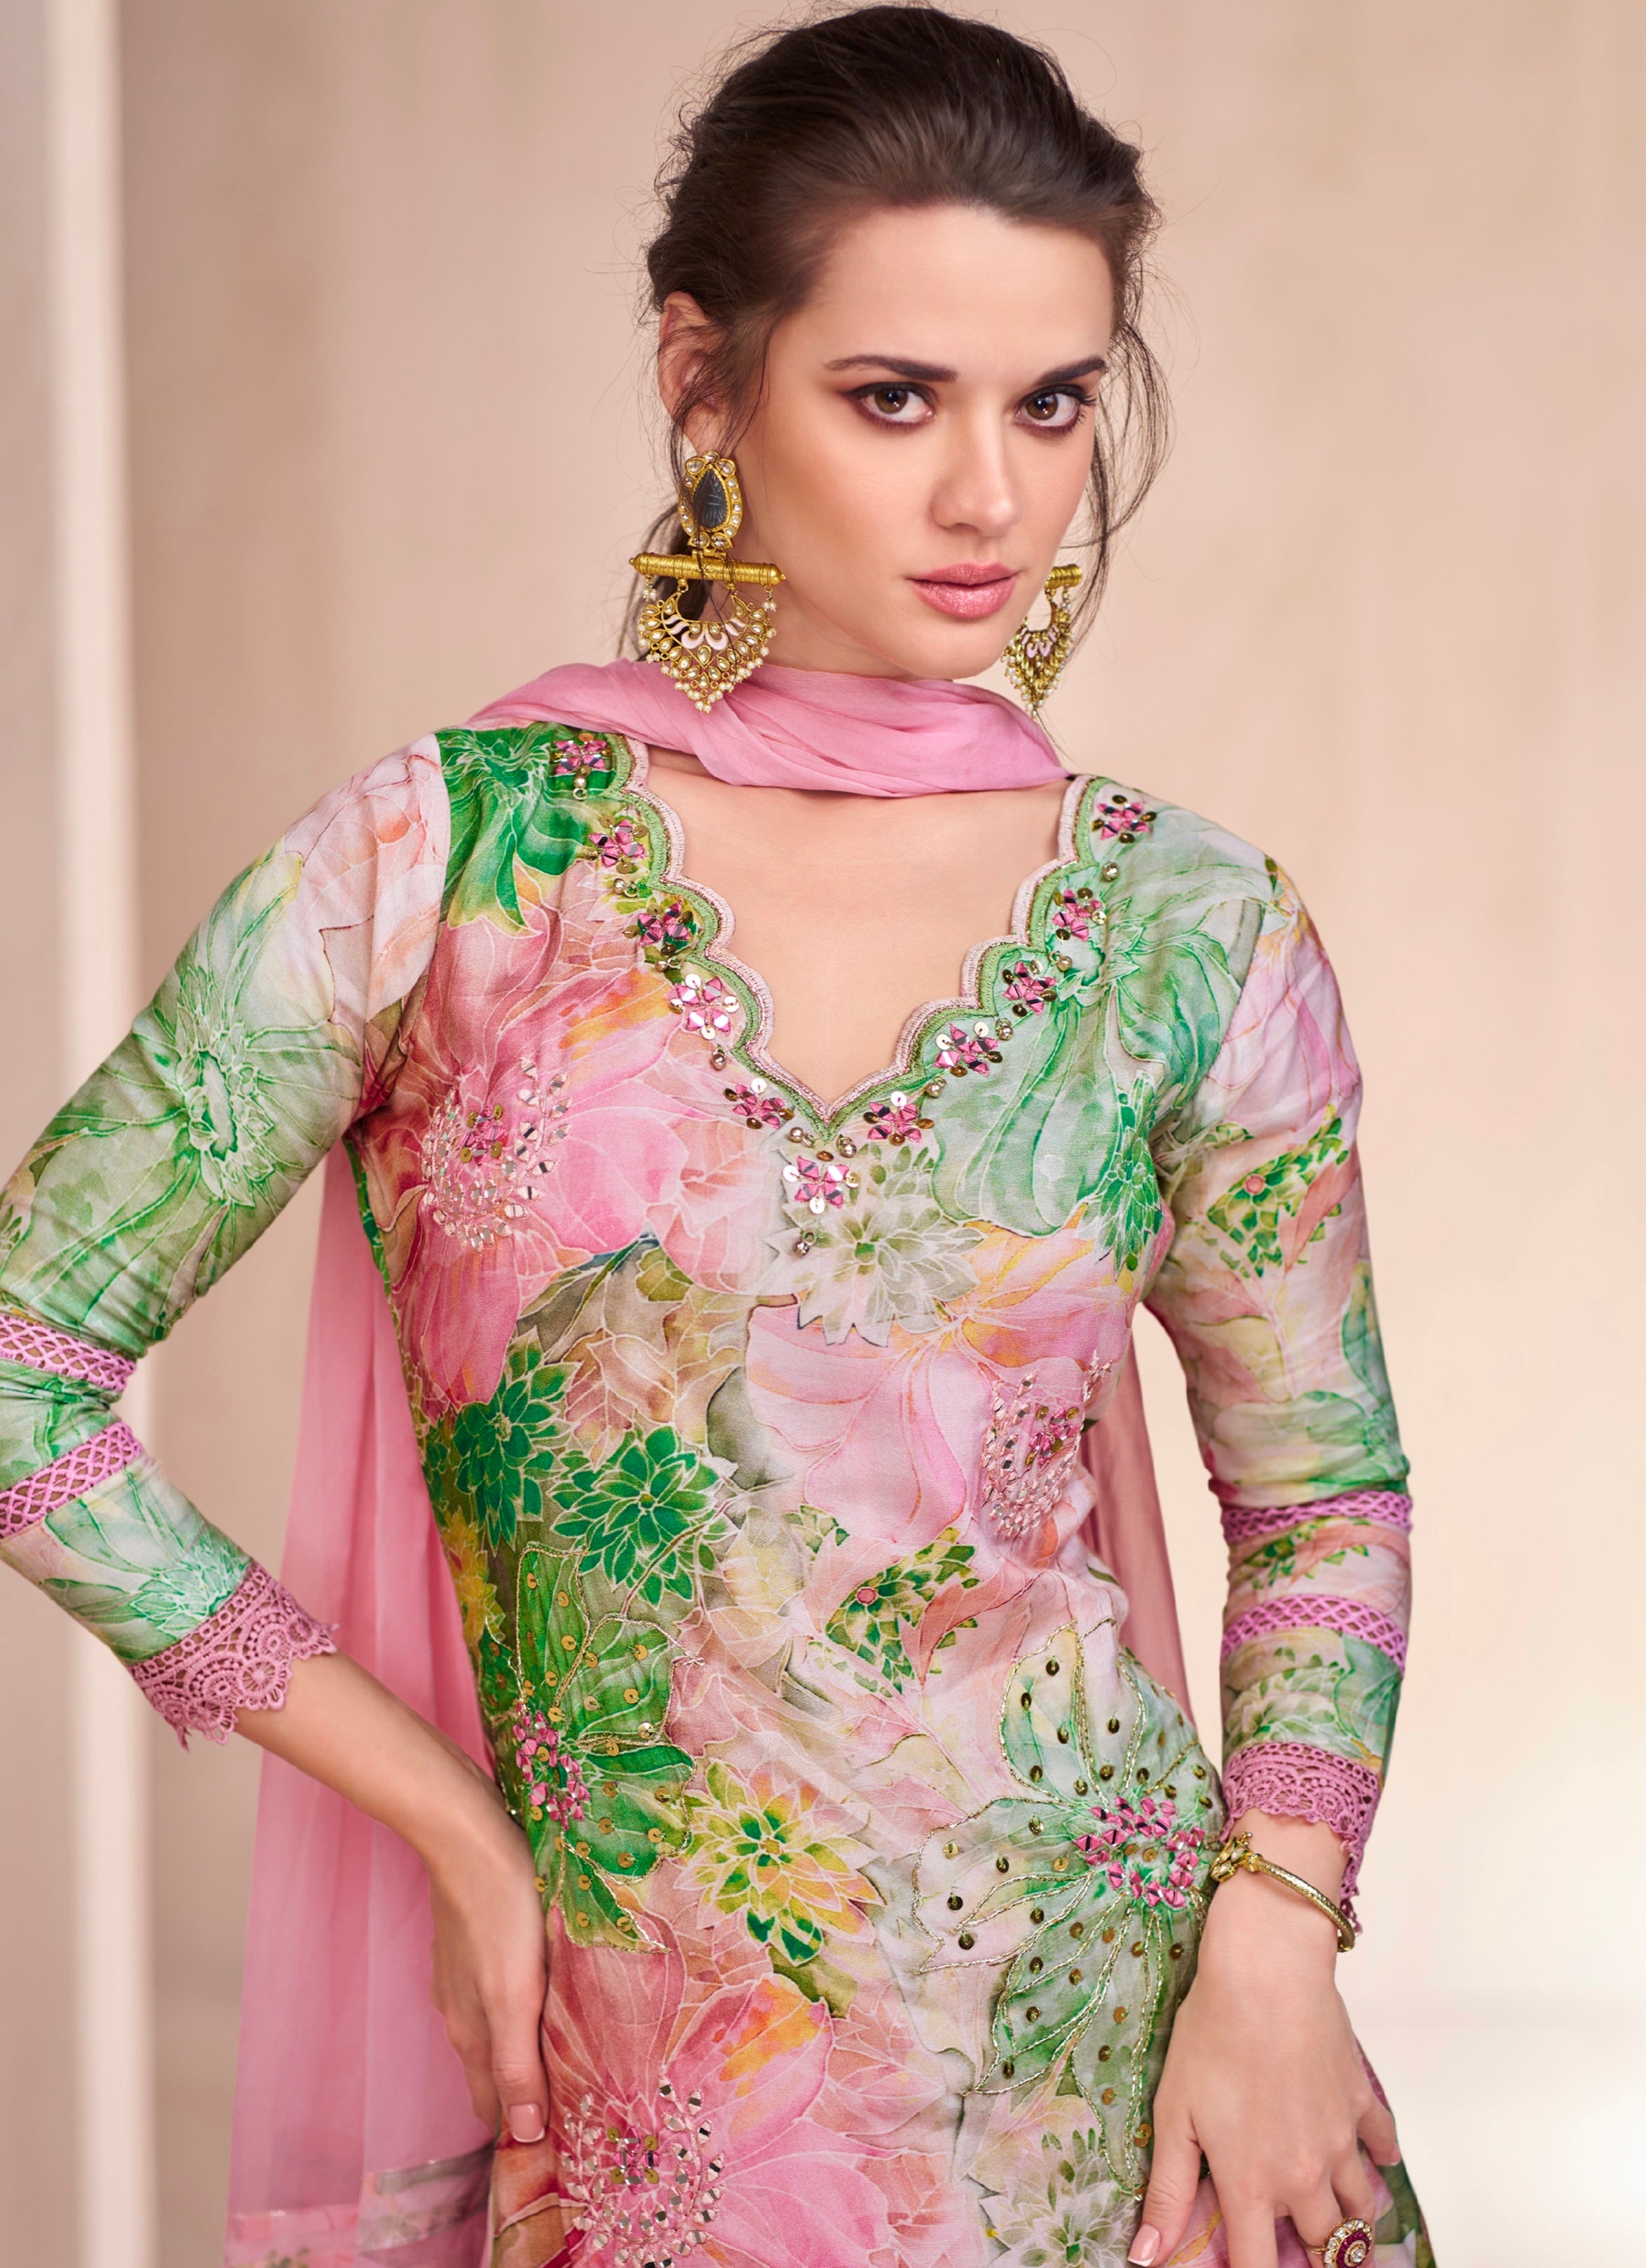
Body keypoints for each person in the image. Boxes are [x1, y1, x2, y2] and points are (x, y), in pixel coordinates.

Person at [0, 11, 1427, 2267]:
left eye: (1052, 403)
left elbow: (1321, 1495)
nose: (992, 498)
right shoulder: (449, 869)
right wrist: (442, 1815)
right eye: (897, 398)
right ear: (703, 378)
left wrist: (1273, 1935)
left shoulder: (1189, 925)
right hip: (637, 2112)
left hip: (1134, 2099)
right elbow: (21, 1365)